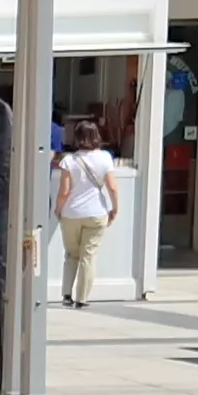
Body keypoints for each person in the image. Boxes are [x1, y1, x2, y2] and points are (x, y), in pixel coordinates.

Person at [54, 119, 121, 309]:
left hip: (71, 214)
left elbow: (64, 191)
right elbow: (112, 187)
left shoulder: (68, 160)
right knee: (88, 256)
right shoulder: (105, 158)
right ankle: (81, 299)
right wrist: (115, 208)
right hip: (96, 213)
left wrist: (58, 210)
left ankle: (66, 295)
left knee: (71, 254)